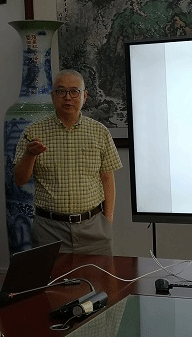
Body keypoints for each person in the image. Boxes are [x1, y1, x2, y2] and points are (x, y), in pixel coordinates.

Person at [13, 69, 122, 256]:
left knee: (98, 275)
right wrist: (30, 155)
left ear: (85, 96)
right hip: (48, 230)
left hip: (94, 228)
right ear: (53, 96)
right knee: (51, 276)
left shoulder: (100, 132)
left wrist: (107, 221)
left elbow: (107, 178)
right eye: (61, 91)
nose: (68, 97)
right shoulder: (33, 132)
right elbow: (19, 180)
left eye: (74, 91)